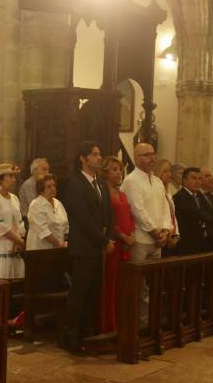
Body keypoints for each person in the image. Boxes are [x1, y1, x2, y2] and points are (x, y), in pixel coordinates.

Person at [59, 141, 114, 354]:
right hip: (83, 247)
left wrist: (108, 237)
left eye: (99, 154)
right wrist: (103, 241)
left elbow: (108, 214)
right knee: (80, 293)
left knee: (93, 293)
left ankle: (87, 333)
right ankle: (70, 336)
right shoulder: (75, 184)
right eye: (94, 154)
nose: (99, 158)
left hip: (98, 246)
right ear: (83, 158)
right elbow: (83, 218)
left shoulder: (100, 183)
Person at [120, 143, 172, 263]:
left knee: (153, 278)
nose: (152, 158)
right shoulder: (131, 180)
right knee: (136, 280)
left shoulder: (158, 181)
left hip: (158, 241)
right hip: (140, 240)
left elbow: (165, 208)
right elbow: (137, 211)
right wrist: (156, 233)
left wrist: (165, 231)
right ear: (136, 158)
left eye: (154, 155)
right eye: (147, 155)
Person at [101, 157, 134, 334]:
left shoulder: (121, 193)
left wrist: (132, 234)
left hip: (127, 244)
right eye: (114, 169)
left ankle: (121, 321)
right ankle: (109, 322)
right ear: (105, 172)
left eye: (119, 169)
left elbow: (129, 216)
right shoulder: (103, 193)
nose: (118, 173)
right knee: (111, 283)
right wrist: (122, 235)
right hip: (114, 243)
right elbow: (107, 220)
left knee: (122, 284)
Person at [173, 167, 213, 256]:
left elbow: (210, 214)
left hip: (202, 242)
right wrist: (203, 216)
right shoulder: (179, 197)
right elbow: (195, 215)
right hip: (186, 244)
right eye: (194, 178)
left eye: (199, 178)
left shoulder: (200, 195)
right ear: (184, 180)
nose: (198, 182)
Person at [26, 174, 68, 250]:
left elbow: (65, 226)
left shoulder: (58, 203)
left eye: (54, 186)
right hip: (40, 250)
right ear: (41, 190)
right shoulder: (36, 205)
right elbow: (44, 231)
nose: (53, 189)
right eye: (49, 187)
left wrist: (66, 242)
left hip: (58, 249)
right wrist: (58, 244)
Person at [152, 159, 180, 253]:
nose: (169, 174)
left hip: (170, 235)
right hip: (161, 236)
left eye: (170, 171)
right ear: (158, 172)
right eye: (165, 171)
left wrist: (176, 235)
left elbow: (172, 215)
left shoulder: (168, 192)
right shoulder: (154, 191)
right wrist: (166, 234)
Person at [18, 157, 49, 222]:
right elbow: (35, 206)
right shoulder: (28, 184)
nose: (47, 173)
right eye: (44, 169)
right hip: (28, 221)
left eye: (48, 170)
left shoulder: (42, 184)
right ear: (34, 170)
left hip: (40, 218)